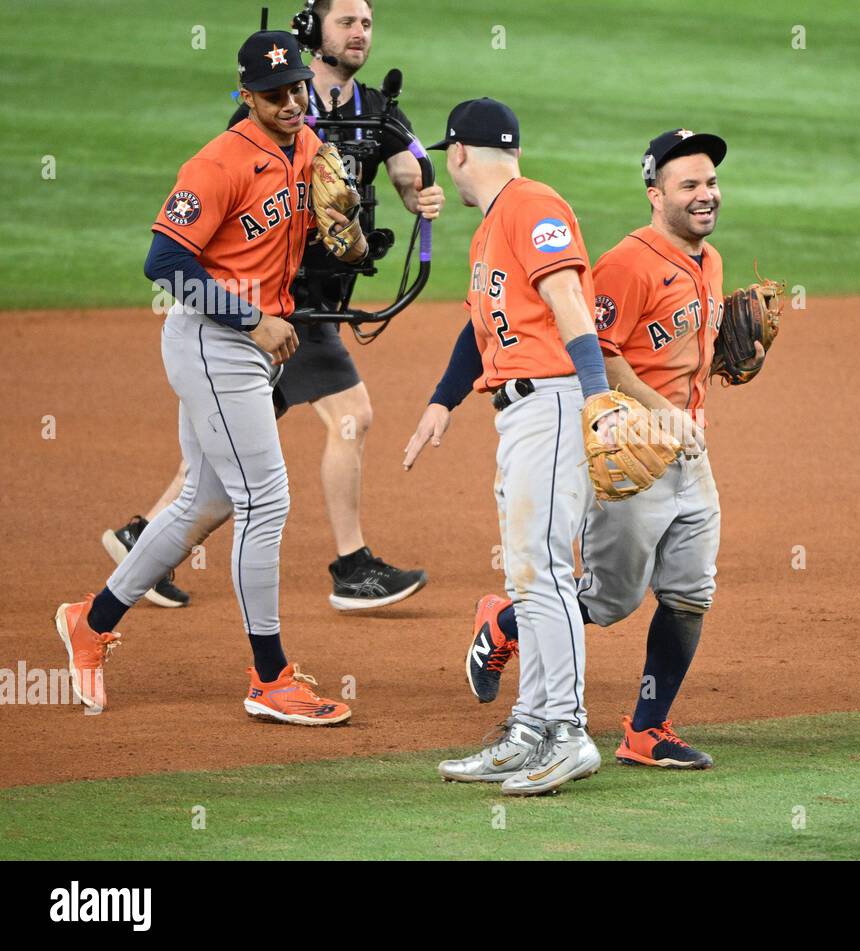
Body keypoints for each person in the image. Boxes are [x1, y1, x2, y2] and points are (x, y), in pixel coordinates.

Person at [101, 0, 443, 612]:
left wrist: (418, 201)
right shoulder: (247, 140)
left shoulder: (367, 115)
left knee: (216, 467)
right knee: (346, 420)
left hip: (296, 307)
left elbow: (408, 175)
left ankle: (141, 540)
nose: (360, 32)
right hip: (268, 309)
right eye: (347, 21)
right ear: (313, 31)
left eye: (368, 22)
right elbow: (170, 257)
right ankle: (350, 568)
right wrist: (253, 315)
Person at [56, 31, 356, 725]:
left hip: (246, 345)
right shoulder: (217, 163)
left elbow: (326, 231)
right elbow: (164, 264)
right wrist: (252, 321)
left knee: (204, 501)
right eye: (274, 93)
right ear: (245, 94)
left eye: (297, 90)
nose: (289, 103)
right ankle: (270, 677)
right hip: (213, 340)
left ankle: (90, 622)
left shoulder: (309, 148)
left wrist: (352, 234)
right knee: (266, 502)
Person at [459, 129, 734, 770]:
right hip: (632, 456)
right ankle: (503, 624)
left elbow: (676, 354)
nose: (705, 195)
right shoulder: (625, 264)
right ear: (654, 194)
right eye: (688, 185)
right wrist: (661, 412)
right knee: (607, 601)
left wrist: (722, 367)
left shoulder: (711, 262)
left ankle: (647, 729)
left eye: (711, 183)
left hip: (692, 455)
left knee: (692, 592)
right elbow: (599, 352)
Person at [403, 98, 622, 795]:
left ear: (460, 153)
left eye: (449, 158)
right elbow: (480, 329)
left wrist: (594, 393)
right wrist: (442, 400)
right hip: (520, 411)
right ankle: (531, 728)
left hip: (555, 400)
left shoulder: (531, 204)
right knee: (529, 573)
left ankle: (567, 731)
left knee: (546, 571)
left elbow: (567, 299)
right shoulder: (491, 228)